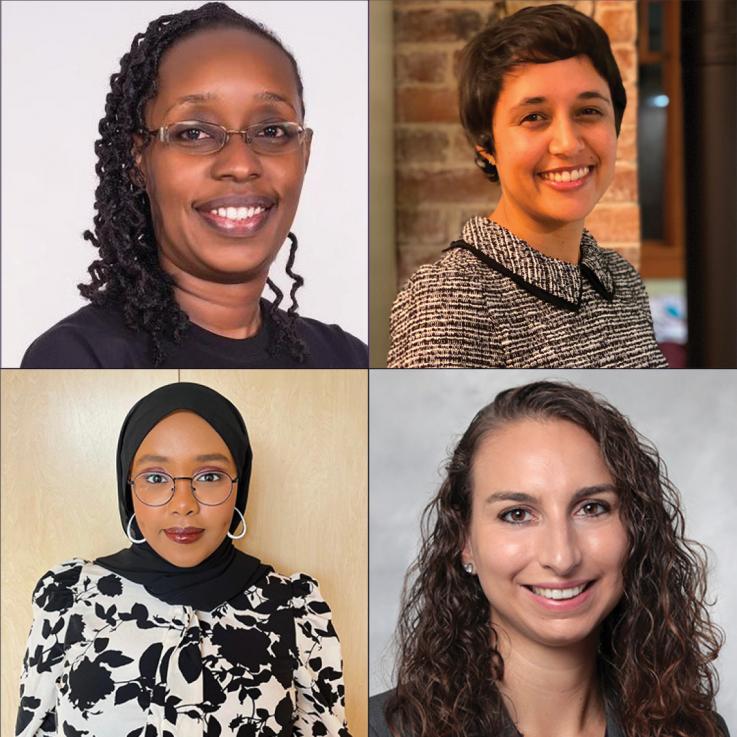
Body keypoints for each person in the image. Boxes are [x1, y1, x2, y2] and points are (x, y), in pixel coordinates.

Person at [369, 381, 728, 737]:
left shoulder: (697, 730)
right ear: (464, 541)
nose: (561, 556)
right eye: (517, 514)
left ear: (636, 528)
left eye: (592, 508)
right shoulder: (371, 728)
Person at [21, 2, 366, 368]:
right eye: (194, 132)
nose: (240, 164)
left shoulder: (348, 359)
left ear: (305, 153)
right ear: (140, 160)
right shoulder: (78, 360)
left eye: (271, 131)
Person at [16, 382, 350, 737]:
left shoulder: (295, 607)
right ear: (128, 487)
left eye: (209, 476)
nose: (183, 504)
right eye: (156, 477)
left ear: (241, 483)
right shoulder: (68, 598)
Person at [387, 4, 666, 368]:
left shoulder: (622, 279)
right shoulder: (448, 298)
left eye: (588, 111)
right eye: (534, 117)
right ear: (487, 147)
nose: (568, 143)